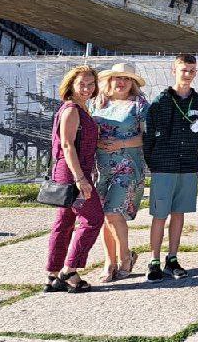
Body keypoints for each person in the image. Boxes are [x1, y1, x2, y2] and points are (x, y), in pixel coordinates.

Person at [144, 54, 198, 281]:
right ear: (174, 71)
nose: (187, 74)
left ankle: (172, 258)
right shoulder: (160, 102)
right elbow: (149, 135)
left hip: (187, 165)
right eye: (183, 70)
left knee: (178, 213)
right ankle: (154, 260)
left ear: (196, 73)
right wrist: (154, 162)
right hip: (164, 165)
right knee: (159, 214)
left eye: (191, 71)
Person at [45, 64, 102, 293]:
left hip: (70, 172)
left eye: (91, 84)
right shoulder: (71, 110)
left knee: (65, 222)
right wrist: (80, 179)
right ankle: (70, 270)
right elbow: (68, 145)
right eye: (82, 84)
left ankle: (52, 274)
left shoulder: (80, 108)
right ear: (71, 85)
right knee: (93, 218)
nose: (87, 88)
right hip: (72, 174)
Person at [91, 62, 147, 283]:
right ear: (110, 81)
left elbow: (148, 137)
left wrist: (119, 144)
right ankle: (109, 261)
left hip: (127, 166)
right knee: (106, 216)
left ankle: (124, 257)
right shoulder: (97, 103)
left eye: (126, 79)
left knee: (113, 212)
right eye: (117, 78)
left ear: (132, 83)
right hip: (101, 168)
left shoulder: (139, 105)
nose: (121, 82)